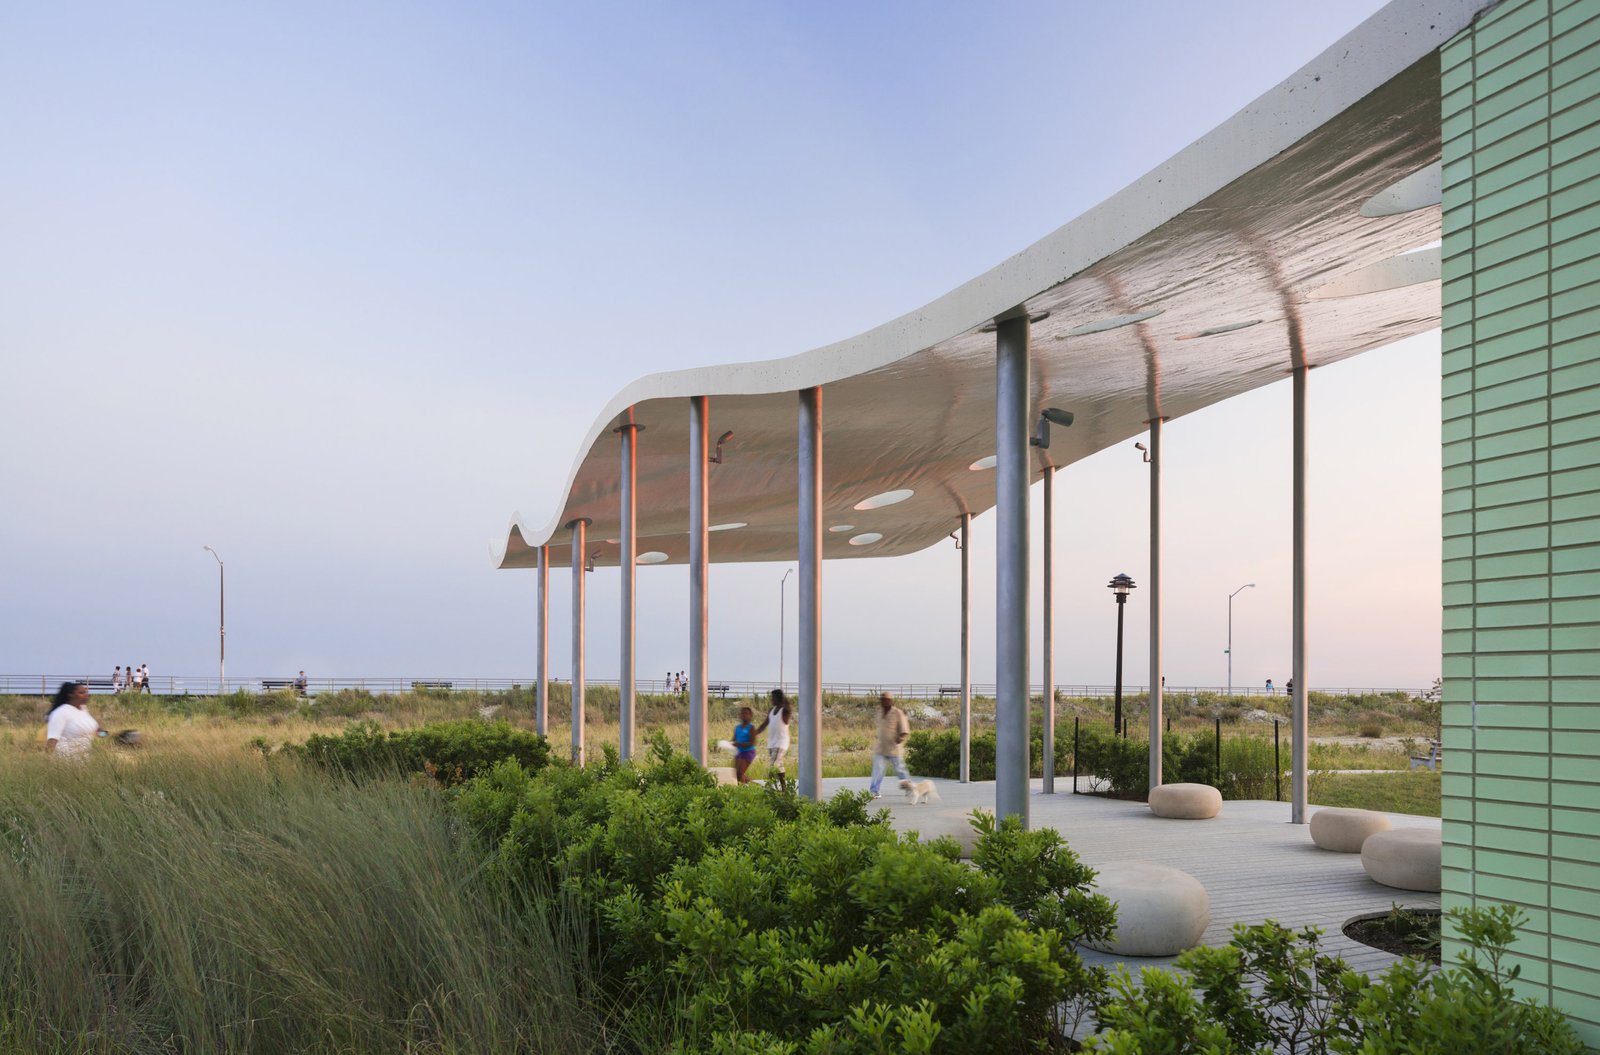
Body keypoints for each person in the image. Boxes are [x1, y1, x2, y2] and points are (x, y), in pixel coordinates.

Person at [868, 692, 912, 798]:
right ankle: (874, 791)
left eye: (886, 699)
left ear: (891, 701)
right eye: (882, 699)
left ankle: (910, 789)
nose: (884, 701)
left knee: (900, 770)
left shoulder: (897, 712)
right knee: (877, 770)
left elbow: (904, 728)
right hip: (881, 748)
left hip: (894, 748)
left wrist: (901, 737)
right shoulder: (879, 712)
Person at [45, 681, 100, 757]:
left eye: (86, 692)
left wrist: (105, 734)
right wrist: (47, 763)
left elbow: (98, 733)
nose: (86, 695)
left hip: (85, 762)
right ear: (70, 695)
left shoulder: (84, 710)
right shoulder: (61, 712)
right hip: (66, 762)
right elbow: (52, 740)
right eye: (81, 693)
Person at [754, 689, 791, 792]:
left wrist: (785, 700)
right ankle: (784, 790)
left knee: (773, 764)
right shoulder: (771, 710)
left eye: (773, 697)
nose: (771, 699)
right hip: (772, 742)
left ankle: (768, 789)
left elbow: (789, 708)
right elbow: (764, 724)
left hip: (781, 742)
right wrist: (755, 732)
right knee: (779, 766)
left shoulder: (784, 711)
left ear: (778, 698)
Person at [731, 706, 757, 783]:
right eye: (742, 713)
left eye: (746, 713)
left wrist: (739, 743)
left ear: (751, 715)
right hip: (739, 752)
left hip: (748, 752)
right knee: (736, 774)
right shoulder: (737, 727)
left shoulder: (751, 727)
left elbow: (752, 743)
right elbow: (734, 739)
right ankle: (751, 783)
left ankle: (743, 790)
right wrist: (728, 744)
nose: (744, 715)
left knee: (740, 773)